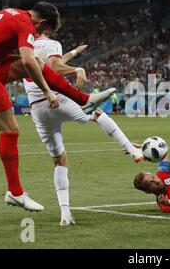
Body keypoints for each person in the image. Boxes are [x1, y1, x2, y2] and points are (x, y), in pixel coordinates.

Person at [0, 2, 112, 212]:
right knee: (10, 130)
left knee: (37, 62)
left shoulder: (10, 12)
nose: (39, 35)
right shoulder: (26, 24)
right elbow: (27, 60)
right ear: (41, 22)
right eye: (42, 31)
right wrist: (48, 91)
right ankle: (15, 193)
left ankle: (82, 99)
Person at [24, 31, 143, 225]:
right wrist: (76, 69)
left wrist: (75, 52)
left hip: (37, 109)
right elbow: (54, 65)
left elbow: (53, 61)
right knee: (97, 114)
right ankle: (132, 150)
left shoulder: (25, 48)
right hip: (57, 99)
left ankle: (65, 214)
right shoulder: (51, 43)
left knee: (59, 160)